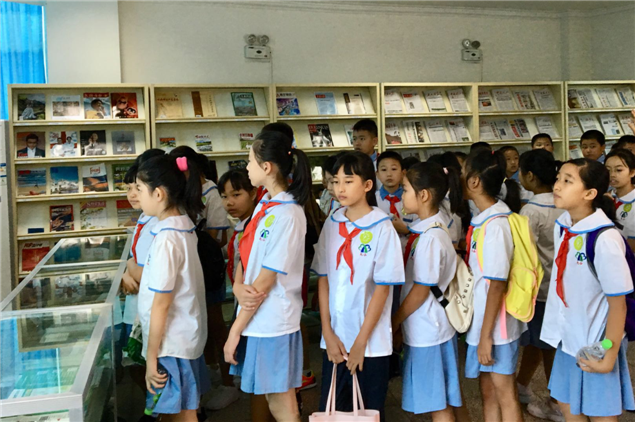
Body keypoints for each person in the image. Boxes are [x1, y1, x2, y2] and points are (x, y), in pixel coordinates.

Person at [224, 130, 311, 421]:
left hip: (274, 321)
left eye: (250, 161)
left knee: (281, 401)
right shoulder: (266, 204)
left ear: (266, 167)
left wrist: (234, 331)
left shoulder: (288, 214)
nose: (247, 167)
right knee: (274, 398)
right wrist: (238, 285)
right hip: (257, 317)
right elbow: (245, 250)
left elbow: (265, 281)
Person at [311, 152, 404, 422]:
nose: (340, 188)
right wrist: (327, 332)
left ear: (367, 185)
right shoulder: (332, 223)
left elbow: (382, 289)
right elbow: (324, 279)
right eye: (336, 181)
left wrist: (361, 342)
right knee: (334, 411)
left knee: (368, 411)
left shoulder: (382, 227)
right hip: (336, 340)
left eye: (348, 181)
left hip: (370, 343)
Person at [540, 158, 635, 420]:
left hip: (596, 342)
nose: (557, 186)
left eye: (567, 181)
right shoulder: (564, 226)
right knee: (567, 404)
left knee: (601, 412)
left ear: (590, 193)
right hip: (567, 338)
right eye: (558, 178)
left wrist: (608, 355)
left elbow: (618, 304)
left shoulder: (604, 238)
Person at [136, 154, 209, 421]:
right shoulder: (182, 226)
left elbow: (162, 302)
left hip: (170, 345)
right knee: (181, 411)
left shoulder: (167, 238)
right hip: (181, 338)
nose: (136, 196)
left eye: (139, 189)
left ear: (158, 194)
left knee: (179, 414)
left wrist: (151, 356)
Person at [392, 161, 463, 420]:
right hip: (427, 326)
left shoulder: (430, 238)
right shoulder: (427, 229)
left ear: (423, 195)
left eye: (405, 189)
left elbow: (421, 290)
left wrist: (394, 322)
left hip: (429, 329)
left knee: (438, 404)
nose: (402, 195)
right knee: (438, 399)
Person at [168, 146, 236, 409]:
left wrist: (192, 236)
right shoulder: (182, 190)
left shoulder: (210, 191)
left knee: (215, 323)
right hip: (188, 268)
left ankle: (229, 381)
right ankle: (210, 371)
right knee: (198, 324)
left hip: (206, 266)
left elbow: (219, 237)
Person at [462, 149, 524, 422]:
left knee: (505, 393)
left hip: (497, 328)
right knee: (488, 392)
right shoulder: (483, 219)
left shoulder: (496, 224)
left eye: (462, 173)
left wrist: (486, 336)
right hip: (485, 323)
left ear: (474, 181)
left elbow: (497, 284)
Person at [515, 149, 564, 421]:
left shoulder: (530, 210)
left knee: (548, 347)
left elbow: (524, 254)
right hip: (559, 287)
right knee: (537, 342)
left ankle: (556, 402)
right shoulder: (563, 203)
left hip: (539, 290)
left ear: (530, 176)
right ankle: (521, 385)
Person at [375, 151, 416, 240]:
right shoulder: (372, 200)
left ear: (403, 173)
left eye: (393, 169)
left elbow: (421, 229)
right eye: (384, 170)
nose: (389, 174)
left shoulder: (413, 199)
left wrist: (407, 231)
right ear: (377, 174)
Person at [606, 149, 635, 250]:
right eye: (608, 170)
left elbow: (633, 244)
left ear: (632, 172)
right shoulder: (606, 197)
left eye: (618, 170)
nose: (612, 175)